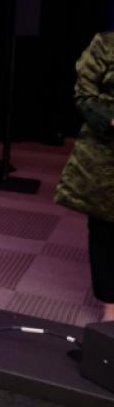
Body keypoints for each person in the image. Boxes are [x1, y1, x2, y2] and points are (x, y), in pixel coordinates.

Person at [56, 32, 114, 323]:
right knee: (105, 231)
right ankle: (110, 311)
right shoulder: (104, 44)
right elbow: (84, 95)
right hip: (106, 157)